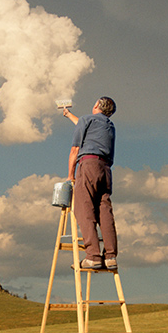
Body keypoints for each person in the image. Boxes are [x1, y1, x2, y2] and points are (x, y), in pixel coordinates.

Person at [62, 96, 118, 270]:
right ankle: (110, 256)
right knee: (104, 210)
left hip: (88, 165)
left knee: (83, 208)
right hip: (105, 169)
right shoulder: (108, 125)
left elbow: (75, 149)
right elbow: (85, 125)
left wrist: (70, 175)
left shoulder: (87, 119)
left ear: (96, 105)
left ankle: (92, 256)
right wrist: (69, 115)